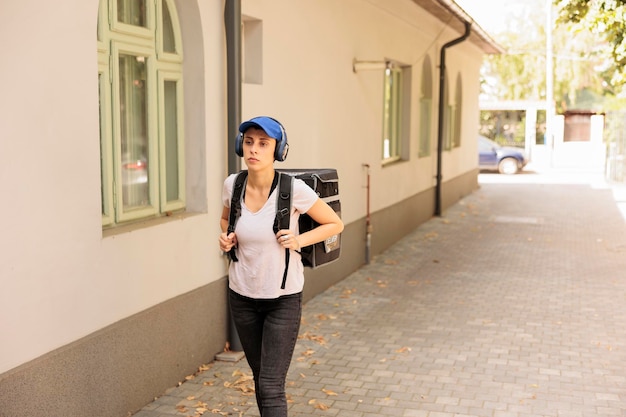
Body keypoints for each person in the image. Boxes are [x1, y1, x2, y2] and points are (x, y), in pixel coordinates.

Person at [219, 116, 344, 417]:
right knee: (261, 380)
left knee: (272, 386)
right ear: (241, 146)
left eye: (263, 144)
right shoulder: (233, 185)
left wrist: (299, 239)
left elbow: (334, 223)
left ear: (278, 150)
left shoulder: (293, 189)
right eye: (249, 142)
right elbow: (225, 219)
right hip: (242, 297)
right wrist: (226, 237)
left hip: (282, 299)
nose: (254, 149)